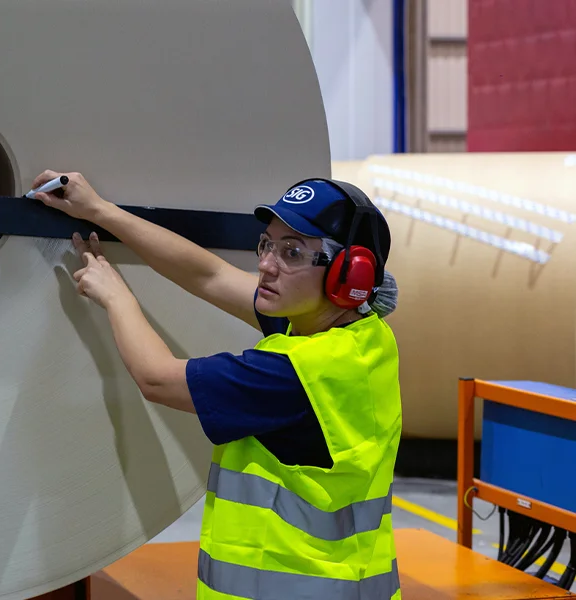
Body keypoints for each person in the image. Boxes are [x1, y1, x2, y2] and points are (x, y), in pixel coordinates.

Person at [31, 170, 403, 600]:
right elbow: (208, 274)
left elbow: (156, 378)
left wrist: (114, 295)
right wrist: (100, 211)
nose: (266, 265)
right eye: (267, 244)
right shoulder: (360, 336)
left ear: (350, 275)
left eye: (292, 252)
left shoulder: (294, 374)